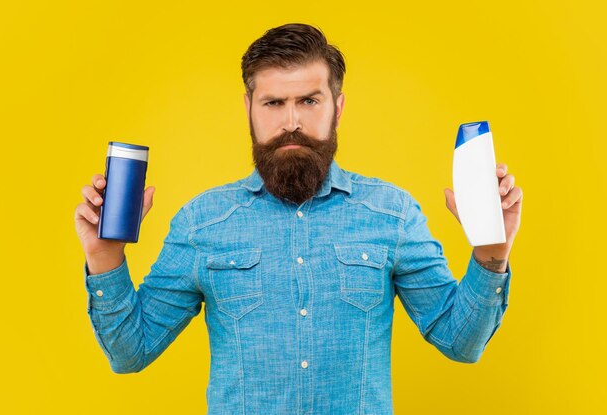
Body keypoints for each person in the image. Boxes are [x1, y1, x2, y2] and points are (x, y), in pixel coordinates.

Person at [75, 23, 522, 414]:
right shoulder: (202, 223)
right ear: (248, 108)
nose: (291, 122)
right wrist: (105, 256)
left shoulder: (392, 214)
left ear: (338, 107)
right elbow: (130, 352)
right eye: (273, 103)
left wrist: (490, 256)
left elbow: (461, 343)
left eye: (309, 100)